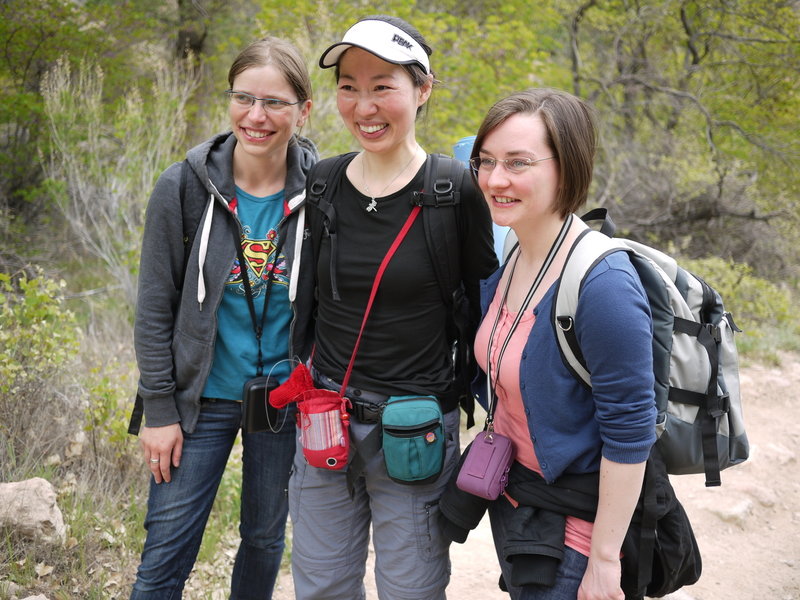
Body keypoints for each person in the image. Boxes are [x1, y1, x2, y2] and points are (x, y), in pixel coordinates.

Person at [287, 14, 498, 600]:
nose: (364, 105)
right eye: (349, 86)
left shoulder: (454, 192)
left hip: (414, 430)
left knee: (411, 590)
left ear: (422, 90)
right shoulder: (323, 184)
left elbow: (490, 302)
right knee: (322, 587)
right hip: (325, 418)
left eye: (383, 86)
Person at [129, 36, 316, 599]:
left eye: (276, 103)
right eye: (244, 98)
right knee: (166, 548)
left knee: (263, 540)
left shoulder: (326, 189)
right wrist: (159, 409)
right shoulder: (182, 186)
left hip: (284, 399)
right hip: (198, 398)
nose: (257, 116)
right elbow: (153, 310)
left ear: (303, 110)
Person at [459, 88, 658, 599]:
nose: (495, 179)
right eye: (487, 161)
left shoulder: (602, 284)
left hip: (576, 529)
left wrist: (605, 559)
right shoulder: (518, 254)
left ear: (565, 168)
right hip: (519, 502)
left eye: (518, 163)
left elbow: (631, 428)